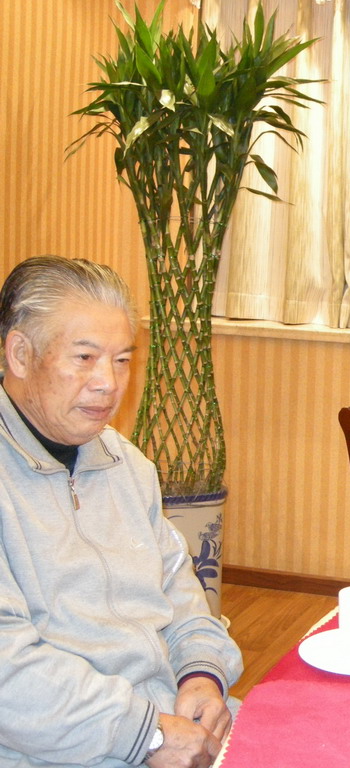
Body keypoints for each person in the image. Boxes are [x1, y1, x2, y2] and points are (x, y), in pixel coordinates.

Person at [0, 256, 242, 768]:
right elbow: (10, 679)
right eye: (85, 358)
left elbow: (182, 599)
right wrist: (148, 735)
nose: (108, 383)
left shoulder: (125, 465)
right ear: (20, 354)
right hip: (59, 749)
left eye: (122, 360)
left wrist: (201, 675)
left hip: (167, 721)